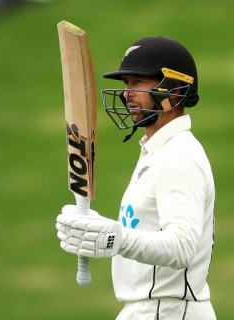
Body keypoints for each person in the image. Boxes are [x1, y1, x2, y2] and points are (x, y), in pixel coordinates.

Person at [56, 36, 216, 319]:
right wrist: (99, 227)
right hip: (151, 308)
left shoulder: (179, 155)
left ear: (175, 90)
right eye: (126, 83)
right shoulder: (157, 151)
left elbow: (182, 246)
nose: (128, 93)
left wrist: (117, 239)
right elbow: (145, 228)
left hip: (167, 309)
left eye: (139, 82)